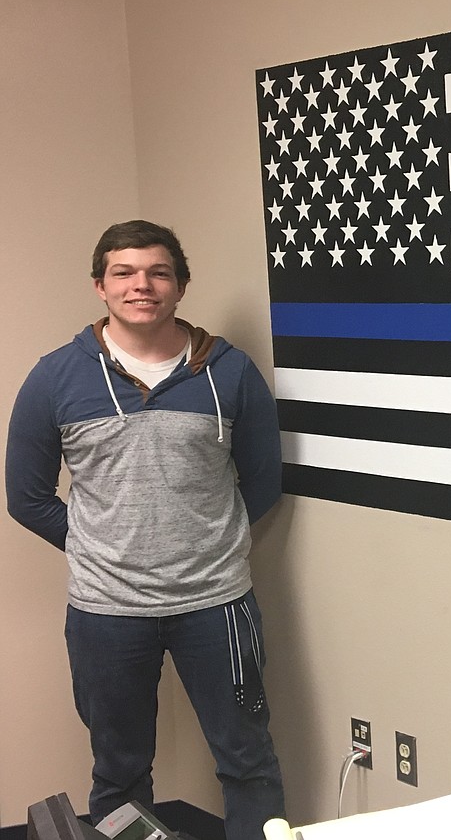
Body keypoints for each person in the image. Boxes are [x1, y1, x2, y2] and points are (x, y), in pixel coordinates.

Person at [6, 221, 285, 840]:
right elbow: (26, 497)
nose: (142, 285)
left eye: (159, 272)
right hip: (107, 612)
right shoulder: (56, 377)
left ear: (180, 286)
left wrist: (207, 538)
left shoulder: (231, 372)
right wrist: (97, 545)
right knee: (120, 772)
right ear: (100, 287)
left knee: (248, 761)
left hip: (217, 604)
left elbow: (264, 481)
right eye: (124, 273)